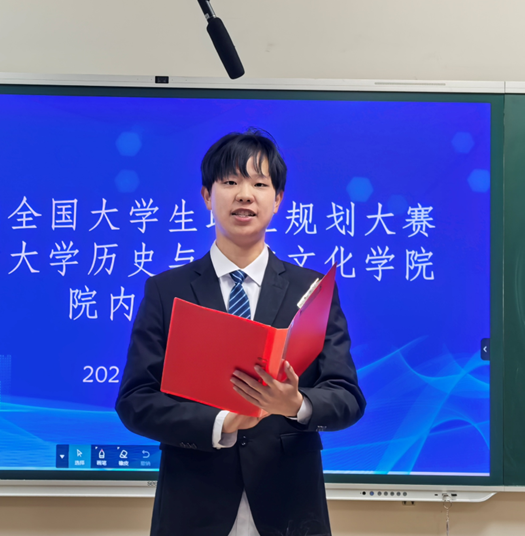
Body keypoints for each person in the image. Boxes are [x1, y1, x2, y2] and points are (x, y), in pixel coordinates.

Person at [116, 129, 366, 536]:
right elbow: (135, 401)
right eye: (230, 182)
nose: (245, 195)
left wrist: (296, 403)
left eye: (260, 184)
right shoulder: (166, 291)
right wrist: (221, 422)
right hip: (192, 510)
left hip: (290, 509)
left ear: (278, 199)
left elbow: (348, 397)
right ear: (206, 196)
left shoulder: (312, 290)